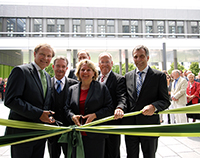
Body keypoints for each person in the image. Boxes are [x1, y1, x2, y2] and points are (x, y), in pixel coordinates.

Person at [4, 43, 56, 158]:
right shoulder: (20, 71)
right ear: (34, 54)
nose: (46, 58)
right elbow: (11, 100)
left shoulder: (47, 76)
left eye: (49, 56)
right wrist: (38, 114)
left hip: (39, 134)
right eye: (42, 54)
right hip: (22, 134)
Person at [123, 45, 170, 158]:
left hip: (149, 126)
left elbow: (165, 100)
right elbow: (125, 99)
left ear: (147, 57)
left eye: (141, 56)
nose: (138, 59)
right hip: (131, 127)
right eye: (135, 57)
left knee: (149, 155)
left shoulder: (159, 76)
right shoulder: (127, 76)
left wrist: (154, 107)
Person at [64, 59, 114, 158]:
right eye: (82, 70)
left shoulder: (102, 88)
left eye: (89, 70)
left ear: (94, 73)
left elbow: (109, 108)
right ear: (78, 73)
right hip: (77, 135)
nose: (85, 72)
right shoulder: (72, 89)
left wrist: (95, 115)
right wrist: (72, 116)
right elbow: (66, 108)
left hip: (95, 135)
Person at [48, 56, 78, 158]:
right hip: (52, 130)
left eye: (63, 66)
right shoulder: (47, 84)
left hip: (69, 130)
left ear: (66, 68)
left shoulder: (75, 85)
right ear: (53, 67)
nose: (60, 69)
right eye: (58, 66)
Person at [98, 52, 126, 158]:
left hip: (112, 122)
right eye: (102, 62)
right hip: (97, 122)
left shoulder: (119, 79)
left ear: (112, 63)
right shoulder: (94, 78)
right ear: (99, 64)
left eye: (107, 62)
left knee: (113, 152)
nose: (105, 64)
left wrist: (120, 108)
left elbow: (122, 97)